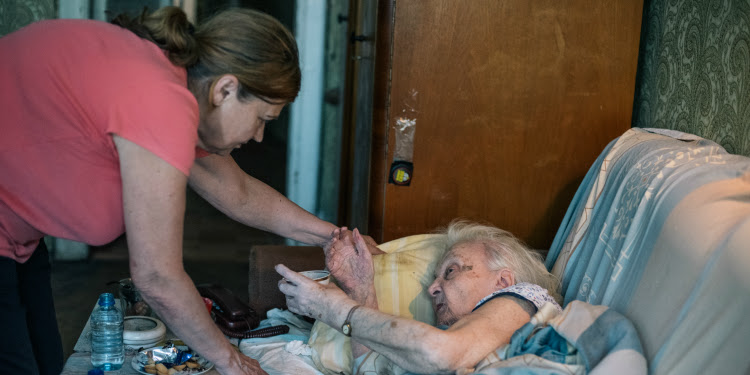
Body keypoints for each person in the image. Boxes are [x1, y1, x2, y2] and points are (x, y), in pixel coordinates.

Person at [0, 6, 338, 375]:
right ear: (226, 89)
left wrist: (332, 237)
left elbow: (238, 192)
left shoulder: (174, 85)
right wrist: (231, 360)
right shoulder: (161, 101)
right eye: (261, 119)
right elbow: (157, 276)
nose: (258, 137)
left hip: (19, 242)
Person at [277, 221, 562, 374]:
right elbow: (368, 369)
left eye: (450, 271)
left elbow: (439, 352)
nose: (432, 289)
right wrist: (360, 289)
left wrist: (333, 308)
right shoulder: (450, 335)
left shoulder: (527, 300)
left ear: (502, 281)